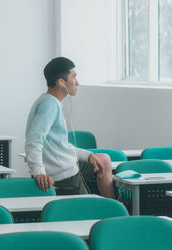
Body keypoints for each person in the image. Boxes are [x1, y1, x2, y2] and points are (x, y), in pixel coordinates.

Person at [25, 57, 115, 198]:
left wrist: (88, 155)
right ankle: (106, 210)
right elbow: (34, 140)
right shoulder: (50, 105)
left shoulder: (48, 101)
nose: (77, 83)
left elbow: (60, 146)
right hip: (64, 174)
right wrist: (38, 171)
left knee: (103, 159)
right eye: (74, 77)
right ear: (62, 83)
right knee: (89, 210)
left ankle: (112, 208)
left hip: (65, 165)